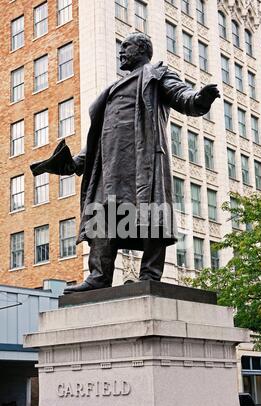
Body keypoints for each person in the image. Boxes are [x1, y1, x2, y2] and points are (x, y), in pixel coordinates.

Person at [31, 32, 220, 294]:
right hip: (109, 166)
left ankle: (150, 274)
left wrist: (200, 99)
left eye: (126, 47)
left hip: (143, 160)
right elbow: (100, 136)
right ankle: (99, 276)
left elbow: (182, 97)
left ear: (142, 50)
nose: (121, 52)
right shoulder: (111, 89)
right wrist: (73, 163)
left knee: (152, 212)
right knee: (101, 215)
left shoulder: (156, 74)